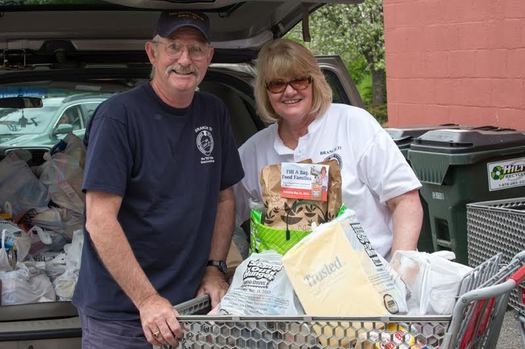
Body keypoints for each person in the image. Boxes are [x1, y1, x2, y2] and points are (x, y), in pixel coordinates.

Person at [72, 10, 244, 349]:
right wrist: (147, 300)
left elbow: (224, 197)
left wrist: (214, 267)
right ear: (152, 52)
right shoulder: (118, 117)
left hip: (193, 308)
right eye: (174, 47)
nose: (185, 60)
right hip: (123, 316)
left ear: (209, 57)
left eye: (196, 50)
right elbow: (100, 220)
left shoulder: (213, 111)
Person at [234, 39, 423, 259]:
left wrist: (400, 272)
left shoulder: (353, 123)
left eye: (299, 80)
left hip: (371, 277)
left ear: (314, 82)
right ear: (265, 92)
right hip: (294, 284)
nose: (289, 91)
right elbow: (223, 211)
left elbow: (405, 200)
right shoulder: (255, 150)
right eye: (277, 84)